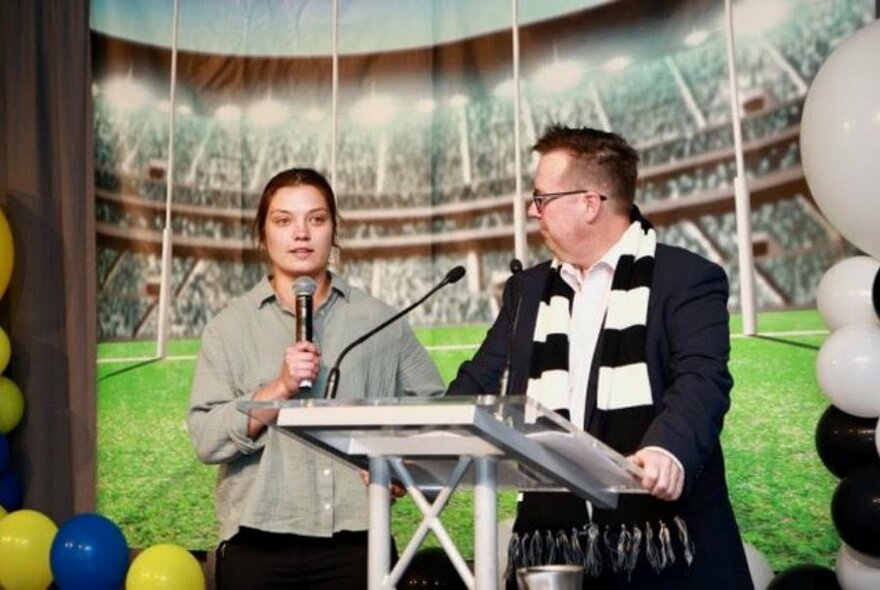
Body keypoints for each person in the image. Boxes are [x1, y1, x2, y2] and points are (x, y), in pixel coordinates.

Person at [448, 125, 751, 588]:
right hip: (556, 554)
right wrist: (419, 445)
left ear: (589, 203)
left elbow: (702, 380)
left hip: (668, 552)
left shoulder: (687, 277)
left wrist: (668, 447)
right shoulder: (526, 292)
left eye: (542, 197)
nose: (533, 210)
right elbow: (480, 379)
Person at [187, 167, 445, 589]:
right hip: (257, 546)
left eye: (316, 219)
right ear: (263, 233)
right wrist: (277, 390)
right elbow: (205, 438)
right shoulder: (229, 327)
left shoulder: (382, 321)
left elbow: (433, 413)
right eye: (284, 220)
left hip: (359, 545)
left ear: (333, 230)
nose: (301, 233)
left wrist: (402, 465)